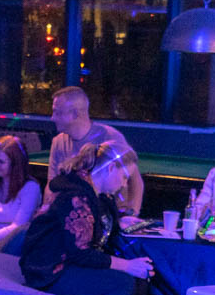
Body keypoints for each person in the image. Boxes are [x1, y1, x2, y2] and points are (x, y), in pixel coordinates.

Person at [20, 141, 154, 295]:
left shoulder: (95, 195)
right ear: (111, 168)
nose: (124, 184)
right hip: (49, 270)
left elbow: (93, 232)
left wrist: (121, 221)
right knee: (123, 282)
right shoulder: (77, 197)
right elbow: (80, 253)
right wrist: (127, 266)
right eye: (124, 177)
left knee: (136, 282)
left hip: (67, 264)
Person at [45, 86, 143, 215]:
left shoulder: (111, 137)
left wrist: (132, 214)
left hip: (113, 213)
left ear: (74, 114)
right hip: (82, 213)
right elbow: (51, 183)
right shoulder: (58, 142)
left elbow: (135, 179)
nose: (52, 118)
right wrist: (46, 209)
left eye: (57, 113)